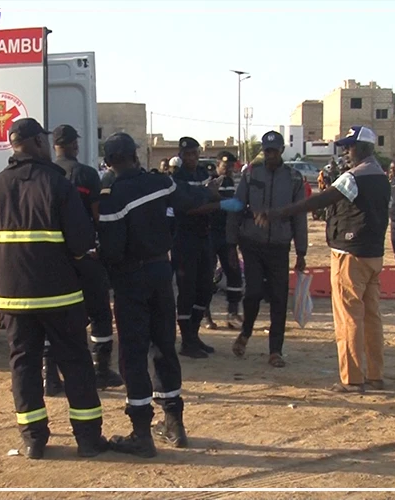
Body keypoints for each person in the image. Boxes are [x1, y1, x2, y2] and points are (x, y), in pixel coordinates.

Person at [95, 132, 238, 458]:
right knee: (164, 347)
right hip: (161, 274)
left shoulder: (113, 197)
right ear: (135, 155)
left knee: (133, 354)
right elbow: (190, 198)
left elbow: (112, 250)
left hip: (131, 279)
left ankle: (141, 433)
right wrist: (212, 192)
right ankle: (174, 423)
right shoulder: (159, 183)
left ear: (109, 161)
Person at [0, 118, 108, 459]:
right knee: (75, 363)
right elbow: (80, 241)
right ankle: (88, 440)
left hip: (12, 297)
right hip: (59, 295)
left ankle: (34, 440)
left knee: (23, 365)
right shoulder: (57, 184)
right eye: (44, 141)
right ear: (37, 142)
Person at [255, 125, 391, 393]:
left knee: (349, 318)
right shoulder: (381, 176)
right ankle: (375, 375)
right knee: (371, 317)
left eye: (349, 147)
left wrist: (277, 213)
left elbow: (318, 202)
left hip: (349, 255)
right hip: (374, 254)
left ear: (360, 148)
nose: (346, 153)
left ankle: (352, 379)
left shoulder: (353, 177)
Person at [40, 124, 124, 394]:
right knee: (99, 312)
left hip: (53, 259)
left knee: (53, 317)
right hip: (85, 257)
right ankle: (101, 370)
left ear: (54, 145)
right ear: (74, 145)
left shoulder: (44, 174)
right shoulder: (86, 174)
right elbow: (98, 216)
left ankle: (50, 377)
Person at [226, 130, 308, 368]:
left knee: (279, 298)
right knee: (252, 293)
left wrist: (301, 251)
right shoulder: (251, 174)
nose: (270, 154)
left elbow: (299, 216)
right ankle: (246, 333)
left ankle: (275, 350)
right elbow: (237, 207)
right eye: (266, 150)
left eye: (273, 150)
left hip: (279, 246)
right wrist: (231, 243)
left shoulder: (294, 178)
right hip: (251, 243)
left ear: (281, 150)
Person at [171, 137, 220, 358]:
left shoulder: (203, 174)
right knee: (187, 290)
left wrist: (211, 197)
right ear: (181, 156)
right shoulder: (177, 178)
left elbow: (212, 196)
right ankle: (186, 340)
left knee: (205, 288)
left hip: (205, 237)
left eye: (194, 153)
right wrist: (210, 197)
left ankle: (194, 334)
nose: (191, 158)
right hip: (184, 239)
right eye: (187, 154)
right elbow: (185, 207)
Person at [203, 151, 245, 330]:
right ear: (217, 164)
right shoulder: (210, 181)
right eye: (225, 166)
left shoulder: (234, 183)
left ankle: (232, 313)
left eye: (231, 166)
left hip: (228, 235)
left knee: (234, 273)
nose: (228, 169)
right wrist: (219, 199)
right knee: (207, 275)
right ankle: (206, 315)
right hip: (210, 233)